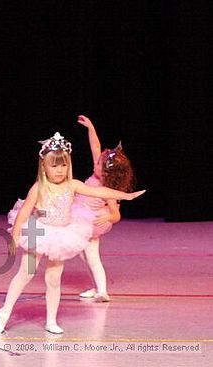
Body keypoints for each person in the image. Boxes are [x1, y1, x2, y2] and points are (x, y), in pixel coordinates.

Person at [0, 132, 144, 334]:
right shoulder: (38, 188)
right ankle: (4, 312)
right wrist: (15, 235)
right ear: (44, 167)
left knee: (53, 279)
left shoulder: (73, 185)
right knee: (26, 273)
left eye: (63, 165)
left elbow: (102, 192)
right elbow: (25, 212)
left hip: (61, 235)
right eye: (54, 166)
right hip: (37, 231)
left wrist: (126, 196)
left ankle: (51, 321)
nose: (59, 170)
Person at [72, 115, 135, 302]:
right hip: (77, 219)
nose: (96, 162)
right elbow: (96, 148)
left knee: (92, 257)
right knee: (84, 257)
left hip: (90, 224)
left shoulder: (107, 190)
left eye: (99, 163)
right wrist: (91, 128)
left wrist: (106, 217)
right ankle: (96, 287)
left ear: (107, 172)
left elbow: (116, 215)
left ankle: (102, 291)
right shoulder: (97, 174)